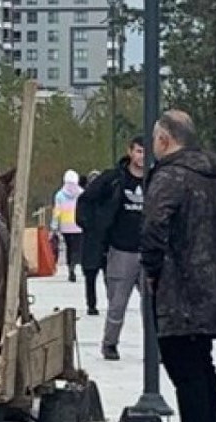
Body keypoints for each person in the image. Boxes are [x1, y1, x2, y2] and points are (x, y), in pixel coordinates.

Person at [140, 111, 216, 422]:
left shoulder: (170, 176)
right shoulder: (214, 176)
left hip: (178, 288)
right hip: (212, 285)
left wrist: (152, 270)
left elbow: (154, 225)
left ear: (165, 140)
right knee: (203, 365)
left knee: (183, 367)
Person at [80, 137, 149, 360]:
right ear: (130, 152)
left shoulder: (158, 179)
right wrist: (93, 228)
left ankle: (155, 347)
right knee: (117, 304)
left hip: (150, 251)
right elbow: (86, 200)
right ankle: (110, 343)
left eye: (146, 152)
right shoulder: (114, 180)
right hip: (121, 250)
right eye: (138, 151)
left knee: (153, 305)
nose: (142, 156)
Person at [75, 169, 104, 315]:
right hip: (91, 242)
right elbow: (80, 220)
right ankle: (91, 304)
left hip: (103, 242)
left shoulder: (107, 198)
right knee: (90, 277)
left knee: (109, 278)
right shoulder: (84, 199)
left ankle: (99, 303)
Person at [49, 169, 84, 282]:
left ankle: (71, 268)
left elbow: (57, 212)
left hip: (66, 227)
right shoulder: (82, 193)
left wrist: (54, 227)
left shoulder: (59, 195)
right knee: (77, 248)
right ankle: (76, 264)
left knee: (69, 248)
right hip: (79, 226)